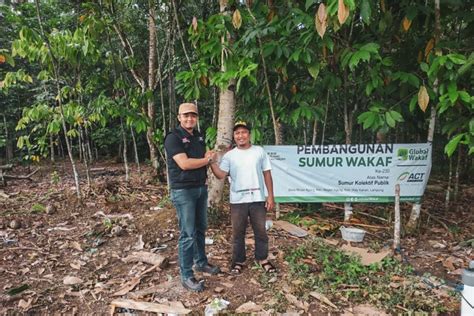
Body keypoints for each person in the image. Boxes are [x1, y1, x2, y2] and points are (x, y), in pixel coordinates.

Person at [164, 102, 220, 292]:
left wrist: (209, 157)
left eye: (193, 116)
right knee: (187, 234)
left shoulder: (198, 136)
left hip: (200, 189)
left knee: (200, 229)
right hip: (183, 191)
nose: (190, 119)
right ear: (179, 117)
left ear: (196, 118)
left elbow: (205, 158)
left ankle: (201, 262)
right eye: (186, 116)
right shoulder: (173, 138)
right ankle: (186, 275)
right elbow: (185, 164)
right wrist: (208, 159)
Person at [210, 121, 277, 274]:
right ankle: (238, 261)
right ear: (234, 136)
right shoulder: (229, 156)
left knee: (260, 231)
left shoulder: (259, 151)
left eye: (244, 132)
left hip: (257, 199)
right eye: (237, 133)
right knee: (237, 232)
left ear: (249, 134)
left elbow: (267, 173)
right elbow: (221, 175)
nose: (241, 136)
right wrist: (212, 163)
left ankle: (262, 259)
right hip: (238, 201)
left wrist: (270, 196)